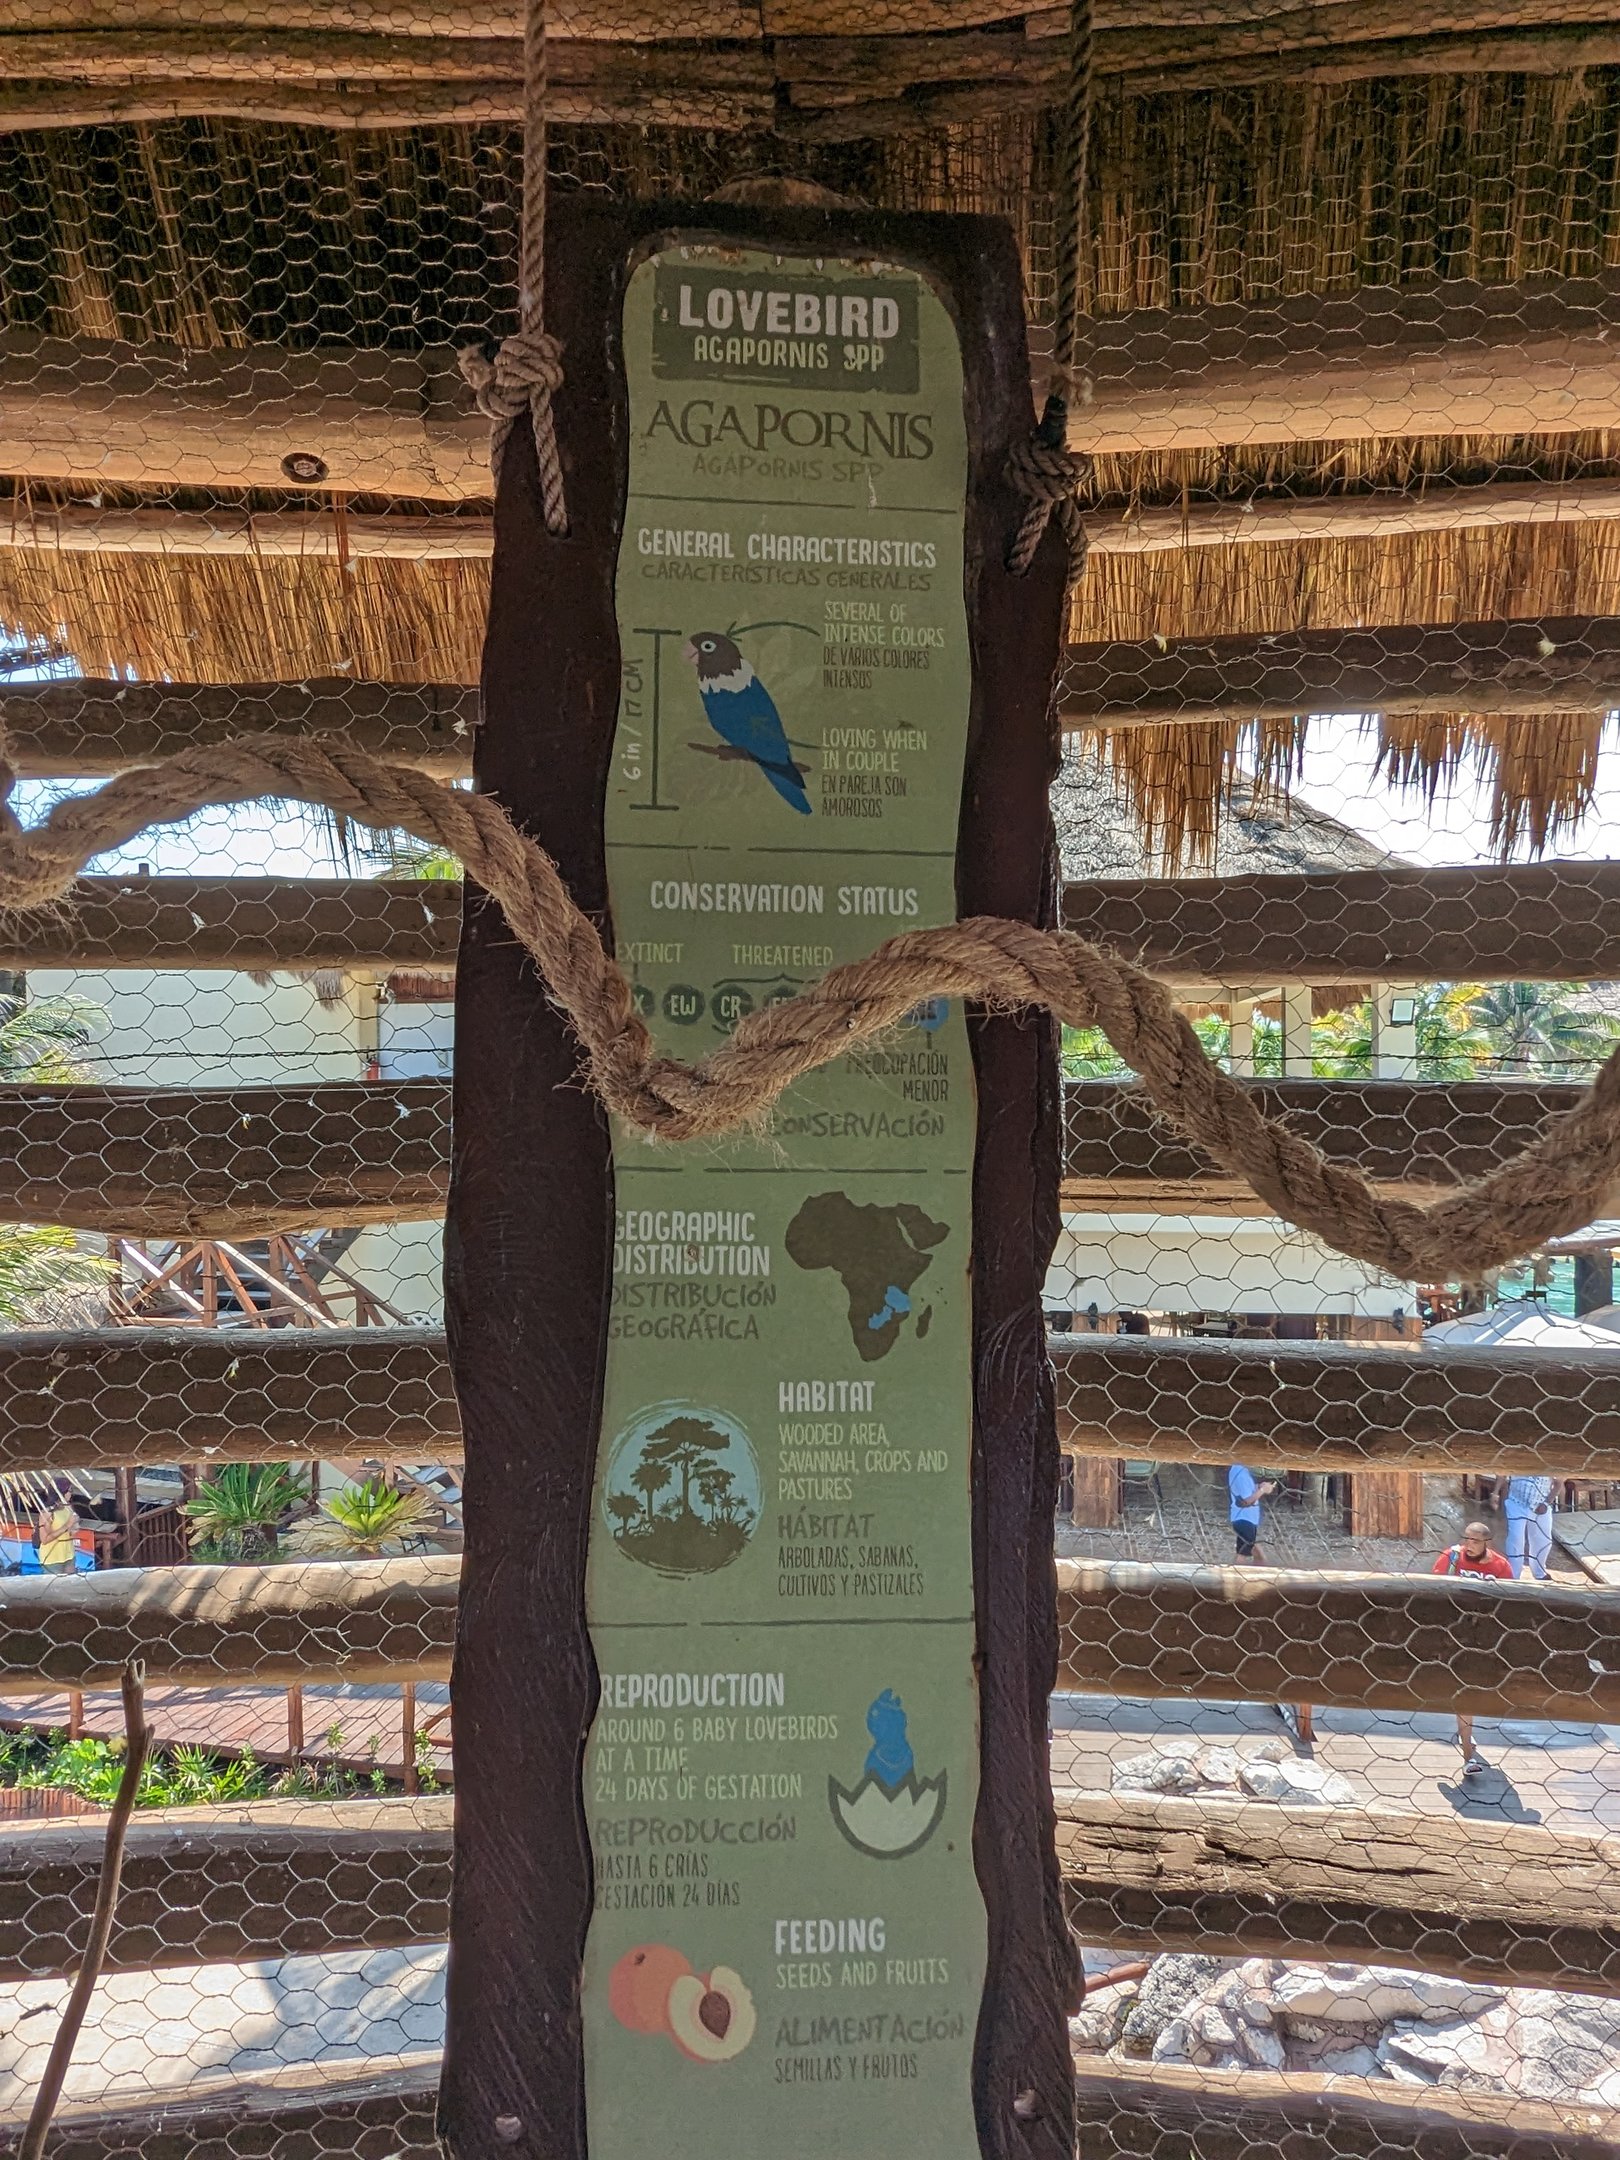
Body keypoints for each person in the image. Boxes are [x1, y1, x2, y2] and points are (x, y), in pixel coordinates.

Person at [1432, 1520, 1514, 1773]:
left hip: (1485, 1640)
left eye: (1475, 1540)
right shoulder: (1451, 1558)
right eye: (1466, 1538)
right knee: (1464, 1693)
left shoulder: (1501, 1566)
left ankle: (1466, 1734)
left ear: (1487, 1543)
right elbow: (1432, 1591)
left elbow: (1510, 1603)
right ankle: (1469, 1755)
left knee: (1474, 1694)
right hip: (1455, 1637)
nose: (1468, 1544)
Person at [1502, 1472, 1555, 1580]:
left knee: (1543, 1540)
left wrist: (1546, 1503)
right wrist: (1496, 1494)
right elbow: (1503, 1476)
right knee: (1515, 1540)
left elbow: (1559, 1483)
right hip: (1516, 1503)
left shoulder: (1550, 1458)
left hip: (1540, 1506)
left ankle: (1540, 1573)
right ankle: (1513, 1575)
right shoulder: (1518, 1457)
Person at [1228, 1463, 1277, 1564]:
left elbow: (1245, 1489)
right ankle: (1236, 1576)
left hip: (1245, 1519)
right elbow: (1246, 1501)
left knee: (1257, 1553)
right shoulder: (1241, 1473)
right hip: (1245, 1519)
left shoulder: (1239, 1469)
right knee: (1242, 1555)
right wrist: (1263, 1490)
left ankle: (1261, 1572)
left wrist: (1259, 1486)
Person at [34, 1479, 79, 1575]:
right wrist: (67, 1525)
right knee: (55, 1588)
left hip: (69, 1555)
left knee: (70, 1587)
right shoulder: (47, 1513)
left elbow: (70, 1531)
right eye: (69, 1491)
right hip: (52, 1558)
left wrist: (74, 1527)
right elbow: (45, 1539)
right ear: (61, 1492)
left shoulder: (68, 1507)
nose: (71, 1494)